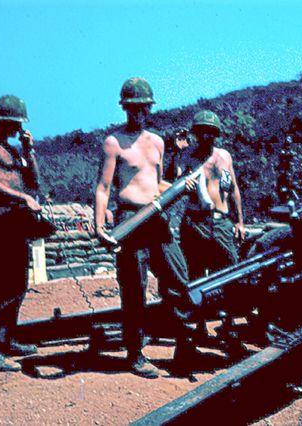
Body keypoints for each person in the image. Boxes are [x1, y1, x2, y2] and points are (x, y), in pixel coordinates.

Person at [94, 78, 194, 378]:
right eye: (134, 107)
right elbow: (103, 187)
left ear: (149, 108)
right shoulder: (114, 142)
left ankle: (185, 346)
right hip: (130, 219)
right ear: (125, 108)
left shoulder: (157, 142)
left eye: (144, 107)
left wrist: (182, 185)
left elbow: (157, 183)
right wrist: (99, 224)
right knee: (134, 288)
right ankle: (136, 354)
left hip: (157, 217)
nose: (139, 112)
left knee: (180, 279)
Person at [0, 95, 43, 371]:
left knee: (18, 284)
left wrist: (29, 151)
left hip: (18, 221)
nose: (18, 129)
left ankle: (8, 339)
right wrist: (23, 198)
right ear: (3, 120)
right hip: (1, 219)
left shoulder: (15, 151)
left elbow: (34, 181)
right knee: (1, 285)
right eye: (15, 123)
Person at [177, 110, 245, 280]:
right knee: (195, 274)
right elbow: (175, 183)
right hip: (195, 222)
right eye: (202, 131)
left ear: (216, 134)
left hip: (221, 220)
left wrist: (239, 221)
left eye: (210, 131)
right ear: (196, 134)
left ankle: (225, 306)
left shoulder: (224, 156)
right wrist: (177, 151)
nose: (206, 136)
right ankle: (199, 307)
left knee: (228, 272)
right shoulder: (187, 156)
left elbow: (233, 189)